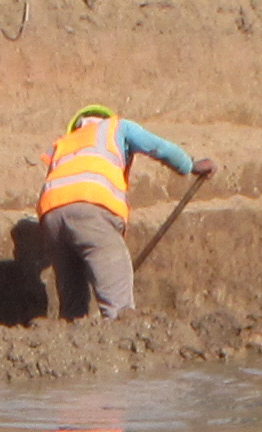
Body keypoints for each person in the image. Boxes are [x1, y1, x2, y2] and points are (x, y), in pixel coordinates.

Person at [24, 104, 211, 321]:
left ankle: (72, 340)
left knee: (72, 305)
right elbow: (158, 148)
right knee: (118, 309)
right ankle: (120, 336)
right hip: (91, 206)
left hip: (51, 215)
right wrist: (190, 166)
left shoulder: (63, 143)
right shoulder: (117, 127)